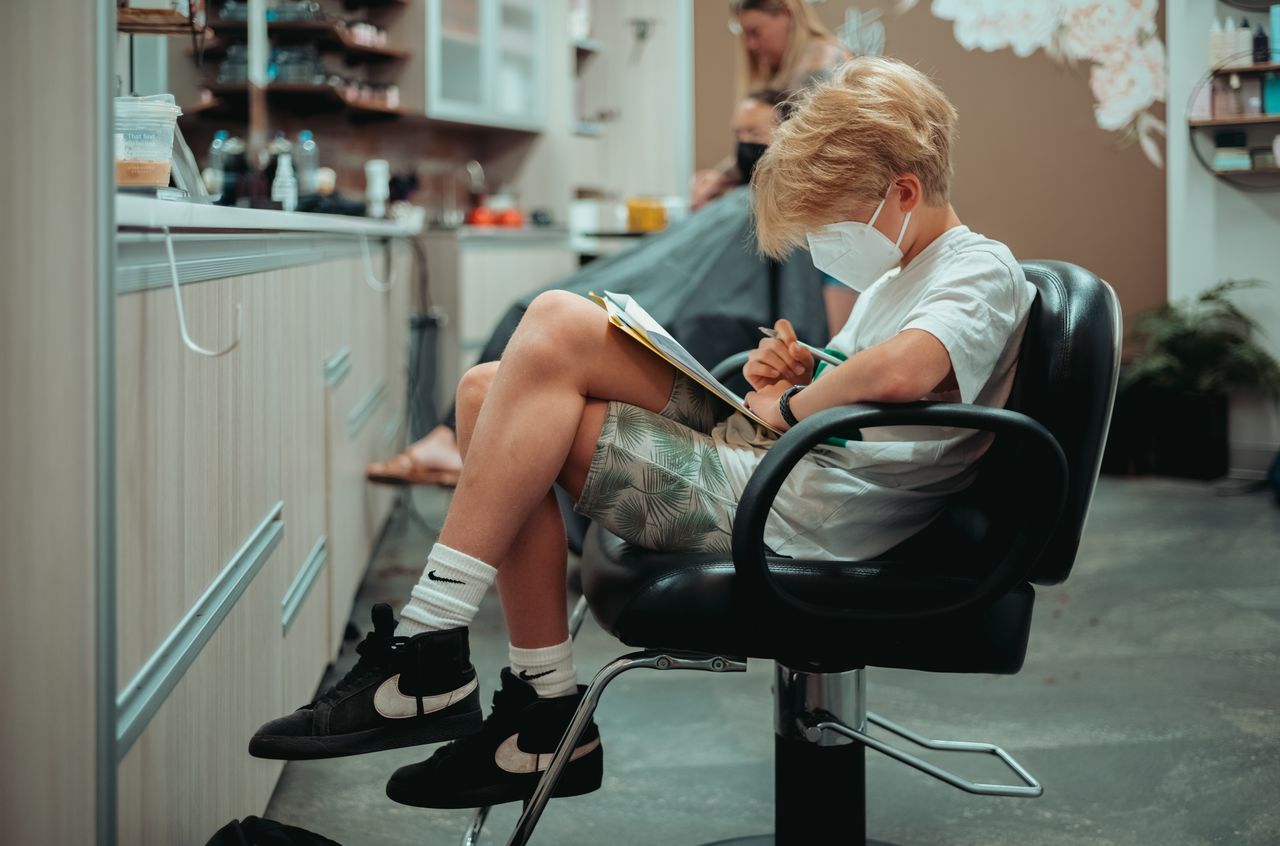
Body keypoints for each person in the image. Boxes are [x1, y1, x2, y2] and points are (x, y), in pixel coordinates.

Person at [249, 57, 1036, 813]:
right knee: (487, 392)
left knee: (552, 326)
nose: (825, 247)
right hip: (776, 470)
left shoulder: (979, 267)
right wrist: (798, 375)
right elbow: (882, 384)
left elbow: (903, 375)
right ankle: (538, 706)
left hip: (798, 513)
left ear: (904, 190)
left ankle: (431, 650)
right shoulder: (901, 275)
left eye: (832, 226)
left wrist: (794, 409)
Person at [366, 89, 841, 488]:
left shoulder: (783, 215)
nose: (743, 146)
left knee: (539, 320)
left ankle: (456, 452)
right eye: (738, 136)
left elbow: (794, 312)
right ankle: (453, 443)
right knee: (526, 316)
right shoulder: (733, 200)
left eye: (754, 137)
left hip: (706, 328)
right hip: (688, 290)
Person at [690, 0, 851, 211]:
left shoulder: (823, 62)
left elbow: (805, 154)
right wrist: (720, 177)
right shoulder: (789, 69)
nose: (750, 45)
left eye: (756, 32)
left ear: (786, 12)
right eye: (745, 35)